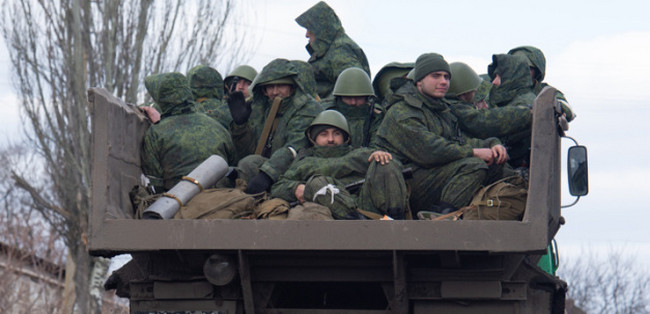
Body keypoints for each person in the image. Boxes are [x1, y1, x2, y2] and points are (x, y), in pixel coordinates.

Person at [375, 53, 509, 215]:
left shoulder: (441, 110)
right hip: (403, 184)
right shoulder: (402, 111)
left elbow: (458, 141)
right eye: (436, 76)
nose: (443, 81)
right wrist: (475, 152)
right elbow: (429, 150)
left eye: (447, 77)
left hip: (429, 176)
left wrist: (492, 144)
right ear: (419, 80)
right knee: (474, 165)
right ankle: (441, 216)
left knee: (494, 163)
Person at [271, 110, 408, 219]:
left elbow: (397, 167)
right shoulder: (304, 162)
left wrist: (383, 156)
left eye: (336, 133)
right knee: (317, 183)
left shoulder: (362, 155)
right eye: (324, 134)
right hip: (334, 213)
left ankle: (394, 222)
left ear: (345, 137)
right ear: (313, 138)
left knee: (385, 163)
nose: (331, 139)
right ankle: (359, 223)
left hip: (368, 205)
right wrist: (296, 187)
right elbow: (278, 187)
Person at [227, 58, 323, 193]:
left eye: (281, 86)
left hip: (295, 172)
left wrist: (267, 174)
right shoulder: (261, 108)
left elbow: (295, 147)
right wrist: (240, 126)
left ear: (292, 86)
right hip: (261, 169)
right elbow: (248, 152)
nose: (275, 91)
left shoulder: (307, 108)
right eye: (270, 87)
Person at [140, 72, 235, 193]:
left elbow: (154, 182)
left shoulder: (156, 133)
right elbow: (232, 166)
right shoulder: (218, 127)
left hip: (178, 202)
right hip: (222, 198)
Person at [295, 1, 370, 100]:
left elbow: (352, 87)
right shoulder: (330, 49)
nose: (307, 35)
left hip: (334, 113)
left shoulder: (340, 50)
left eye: (310, 29)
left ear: (320, 29)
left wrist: (323, 107)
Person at [508, 45, 575, 121]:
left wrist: (553, 106)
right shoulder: (499, 90)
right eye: (516, 67)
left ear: (537, 72)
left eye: (527, 68)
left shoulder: (544, 91)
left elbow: (569, 111)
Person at [322, 67, 383, 147]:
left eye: (359, 97)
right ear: (340, 96)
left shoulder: (377, 115)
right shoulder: (325, 112)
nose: (353, 102)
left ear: (367, 97)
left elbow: (378, 145)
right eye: (348, 97)